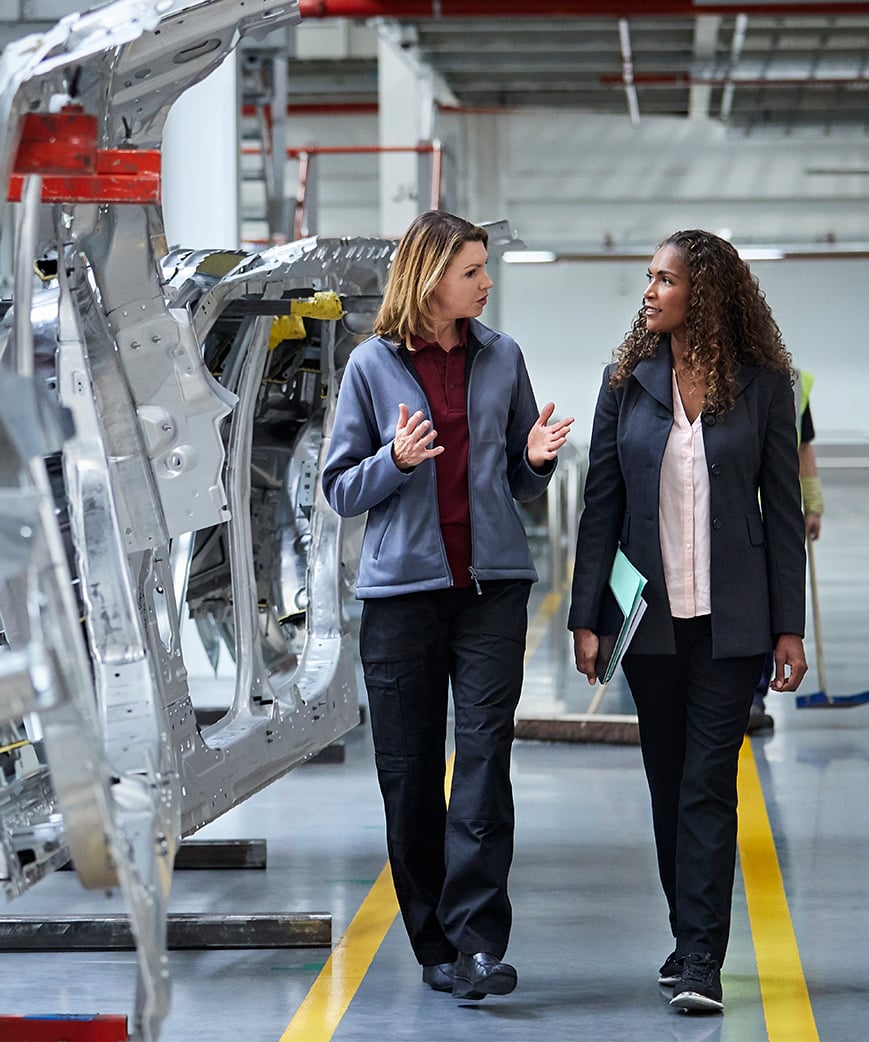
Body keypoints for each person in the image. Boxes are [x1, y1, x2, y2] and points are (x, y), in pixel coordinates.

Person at [321, 210, 573, 1000]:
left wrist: (532, 462)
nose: (486, 282)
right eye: (473, 270)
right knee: (409, 773)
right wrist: (392, 462)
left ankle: (479, 945)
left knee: (485, 764)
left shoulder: (503, 357)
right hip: (402, 596)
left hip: (491, 589)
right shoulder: (369, 366)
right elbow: (338, 488)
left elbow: (516, 480)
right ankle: (432, 944)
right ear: (431, 279)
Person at [568, 229, 807, 1014]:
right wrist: (585, 618)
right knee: (667, 784)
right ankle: (685, 937)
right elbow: (600, 505)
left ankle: (702, 957)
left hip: (732, 623)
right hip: (649, 624)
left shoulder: (766, 386)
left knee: (708, 784)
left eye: (663, 279)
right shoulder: (625, 384)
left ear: (702, 292)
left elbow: (779, 515)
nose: (649, 291)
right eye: (648, 278)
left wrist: (788, 628)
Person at [747, 372, 823, 732]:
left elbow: (802, 448)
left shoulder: (794, 384)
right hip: (742, 510)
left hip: (778, 511)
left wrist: (814, 504)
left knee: (768, 606)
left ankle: (754, 697)